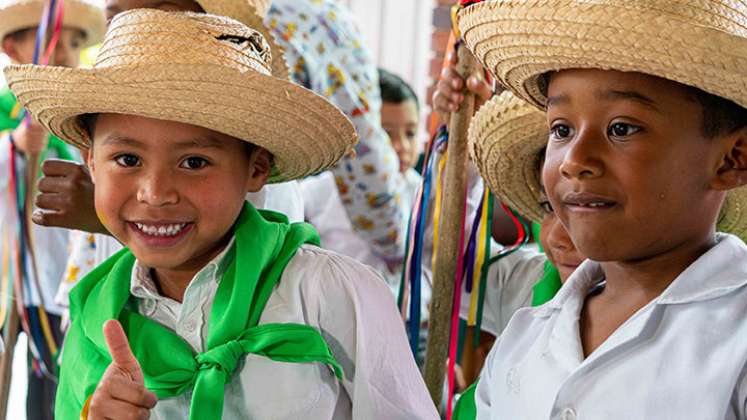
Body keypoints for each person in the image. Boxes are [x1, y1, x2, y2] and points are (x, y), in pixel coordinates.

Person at [5, 10, 438, 420]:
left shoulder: (332, 294)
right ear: (90, 162)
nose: (155, 194)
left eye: (194, 162)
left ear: (257, 168)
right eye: (127, 159)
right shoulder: (95, 318)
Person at [457, 0, 747, 417]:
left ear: (732, 159)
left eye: (622, 128)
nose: (575, 160)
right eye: (562, 129)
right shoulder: (525, 336)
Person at [0, 1, 105, 418]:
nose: (65, 53)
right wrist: (14, 148)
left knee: (61, 382)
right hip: (17, 275)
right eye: (54, 40)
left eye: (76, 43)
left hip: (70, 271)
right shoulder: (7, 110)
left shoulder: (83, 115)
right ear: (12, 47)